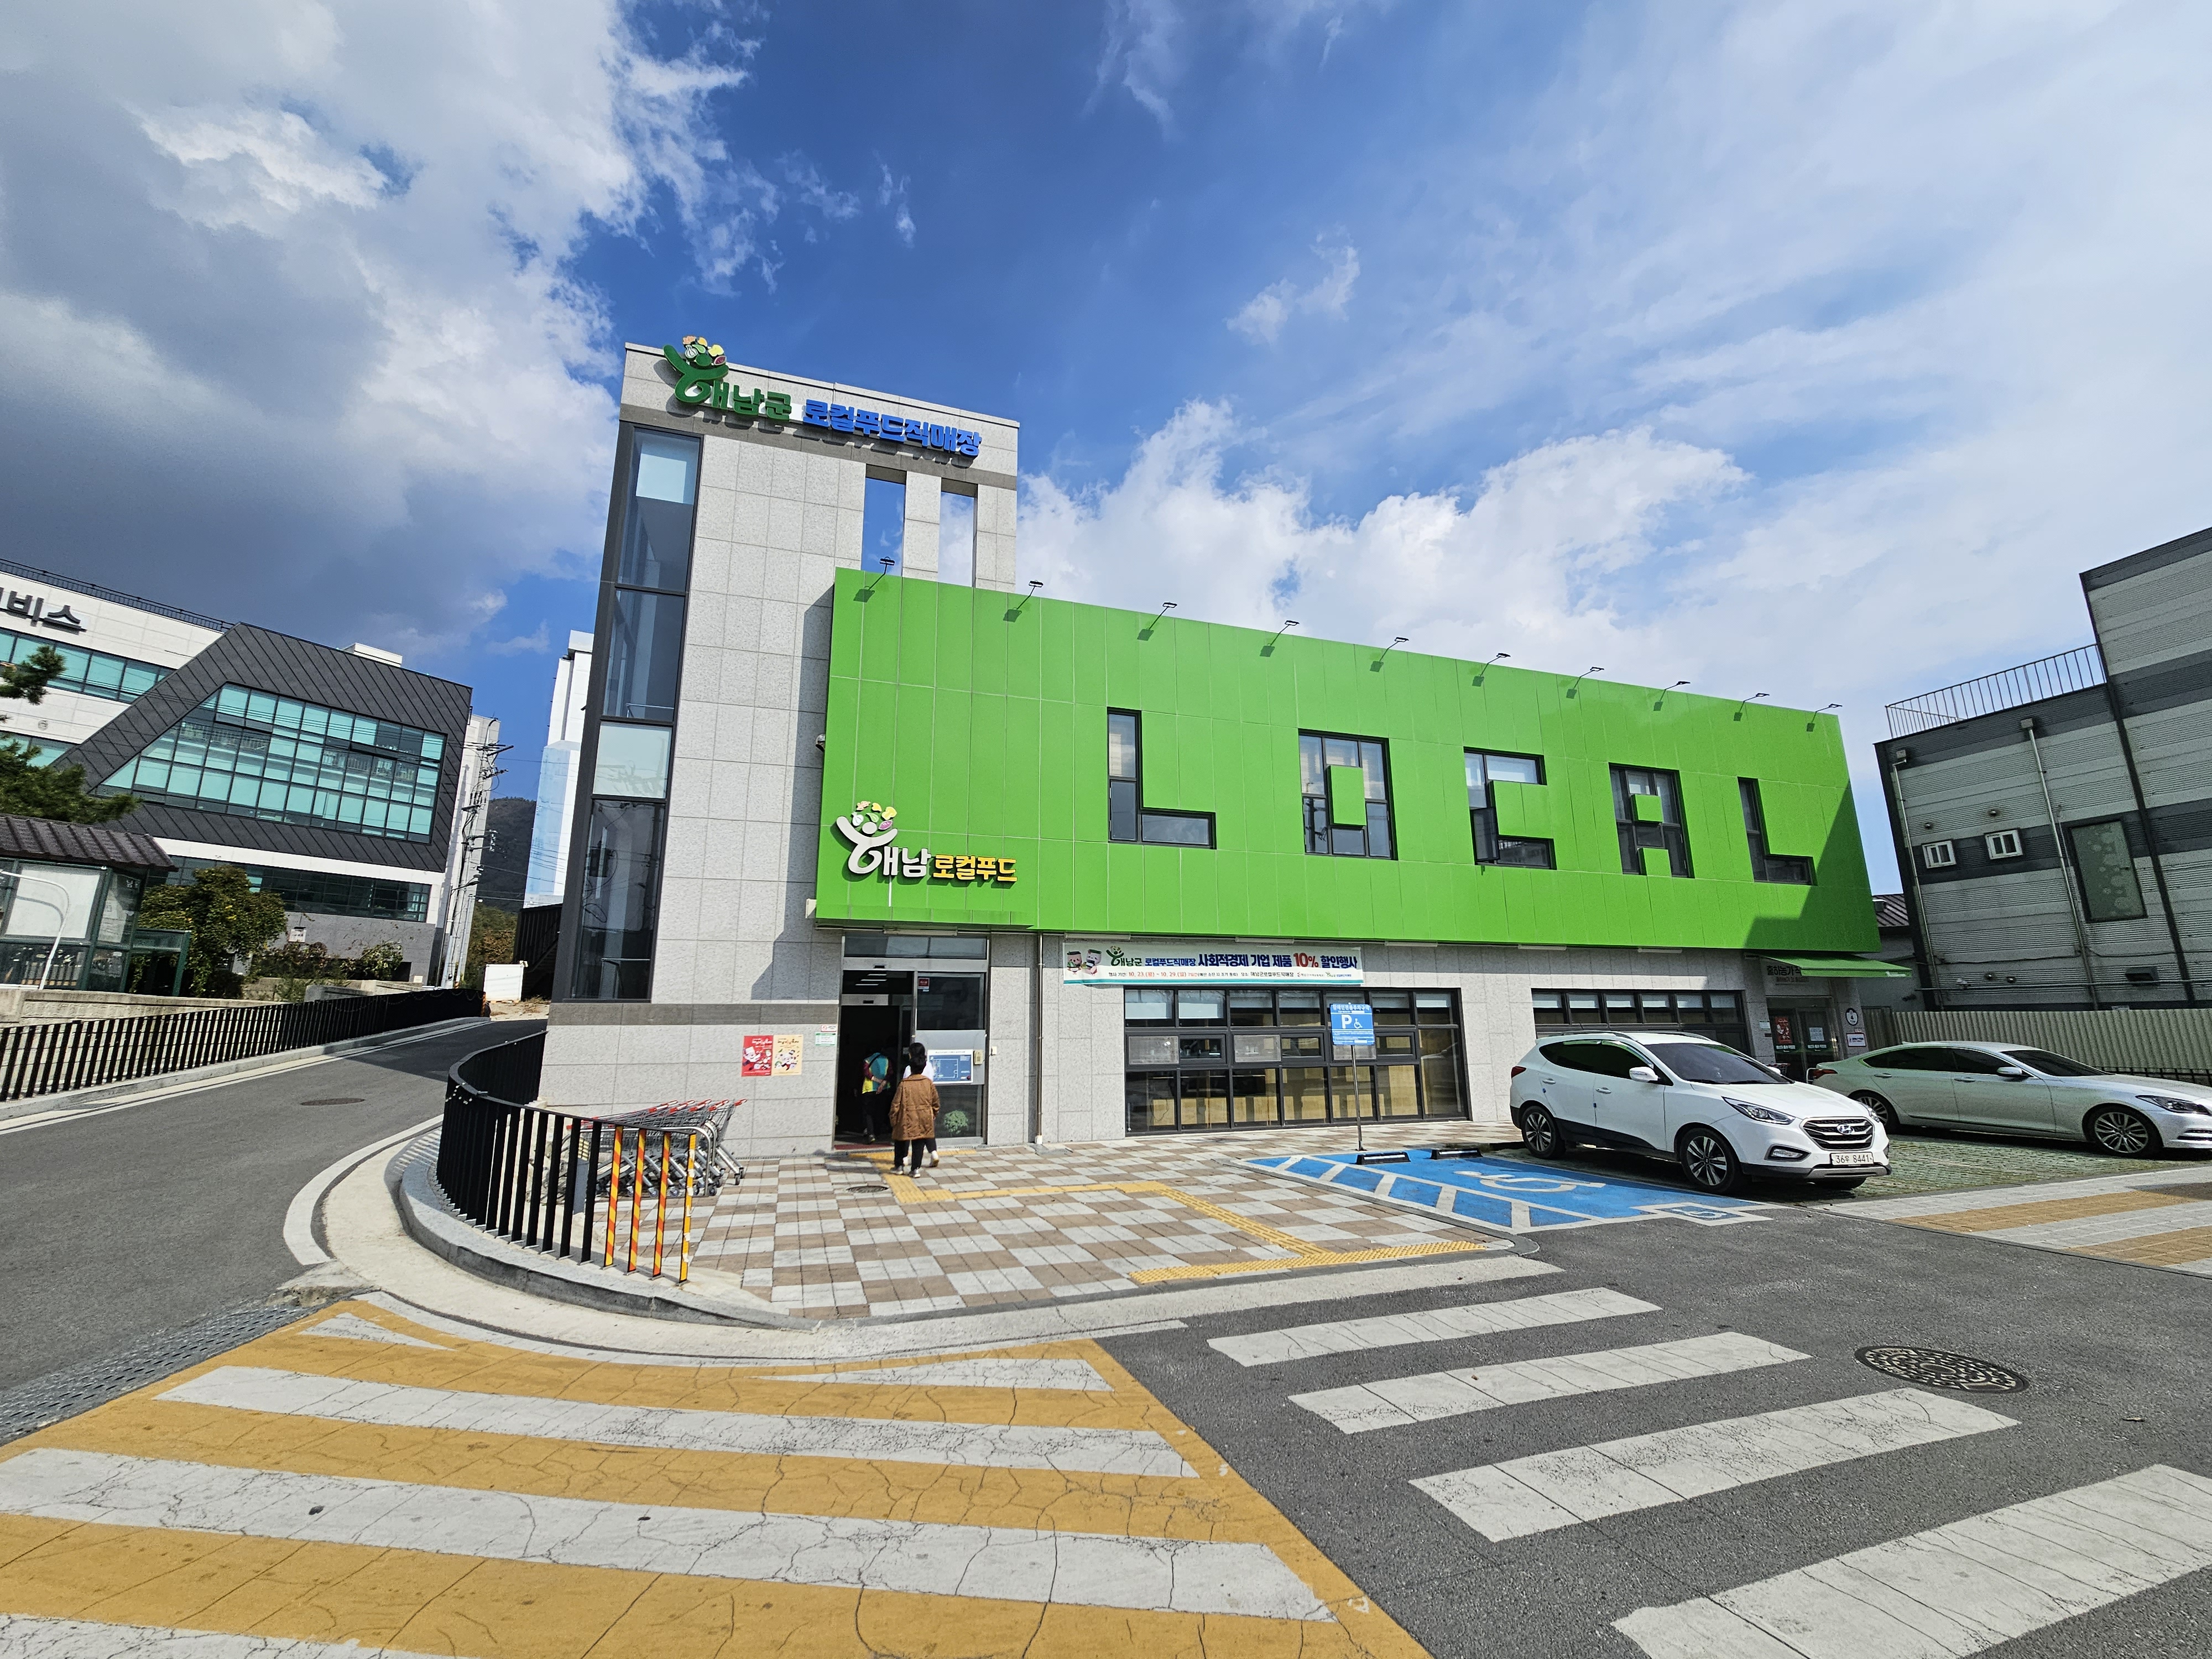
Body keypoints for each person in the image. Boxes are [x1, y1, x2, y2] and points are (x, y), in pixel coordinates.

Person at [889, 1041, 941, 1176]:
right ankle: (915, 1169)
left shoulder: (904, 1084)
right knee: (919, 1142)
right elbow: (936, 1102)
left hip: (906, 1117)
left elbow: (896, 1104)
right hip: (924, 1117)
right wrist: (933, 1114)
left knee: (901, 1140)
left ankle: (899, 1167)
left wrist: (893, 1120)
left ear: (911, 1068)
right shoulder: (928, 1083)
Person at [859, 1046, 891, 1142]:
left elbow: (866, 1073)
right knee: (880, 1111)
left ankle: (871, 1134)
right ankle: (878, 1132)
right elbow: (890, 1073)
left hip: (869, 1089)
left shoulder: (867, 1060)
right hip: (884, 1089)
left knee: (869, 1113)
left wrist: (877, 1081)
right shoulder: (887, 1060)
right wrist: (882, 1085)